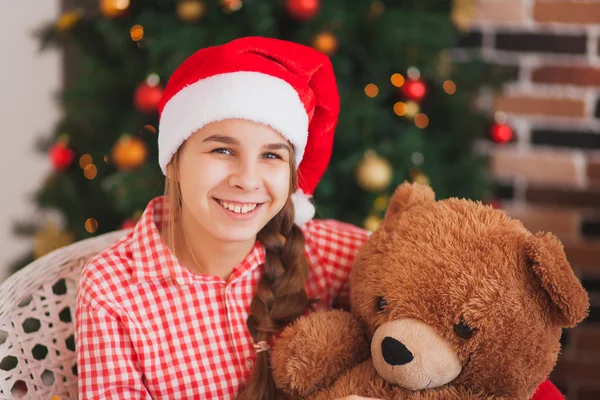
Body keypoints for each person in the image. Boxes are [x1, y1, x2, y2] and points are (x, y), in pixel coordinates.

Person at [75, 36, 564, 400]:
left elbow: (471, 303)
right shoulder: (113, 290)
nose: (247, 179)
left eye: (271, 156)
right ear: (175, 160)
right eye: (222, 149)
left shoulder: (326, 251)